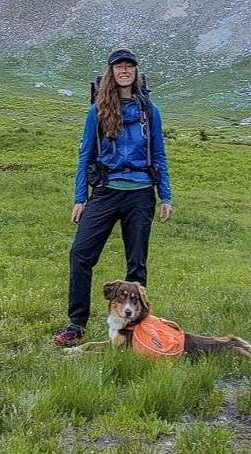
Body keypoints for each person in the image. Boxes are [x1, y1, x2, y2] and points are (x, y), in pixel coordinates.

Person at [53, 48, 173, 347]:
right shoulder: (97, 111)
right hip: (105, 191)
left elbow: (159, 154)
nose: (124, 70)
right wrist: (80, 198)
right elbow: (85, 155)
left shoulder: (149, 111)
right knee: (80, 254)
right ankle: (76, 323)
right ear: (111, 72)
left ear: (136, 72)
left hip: (141, 192)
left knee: (137, 264)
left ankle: (135, 329)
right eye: (119, 66)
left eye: (129, 66)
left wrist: (165, 195)